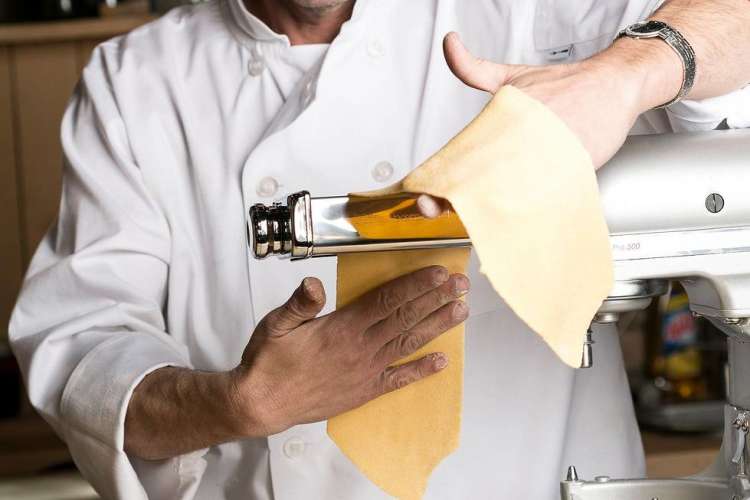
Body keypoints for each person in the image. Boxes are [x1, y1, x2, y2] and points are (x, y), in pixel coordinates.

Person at [9, 0, 750, 498]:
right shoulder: (133, 82)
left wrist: (622, 75)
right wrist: (237, 403)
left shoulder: (537, 12)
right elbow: (81, 347)